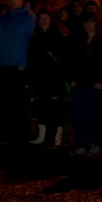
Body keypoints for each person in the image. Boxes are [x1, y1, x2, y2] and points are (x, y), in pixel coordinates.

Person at [0, 0, 36, 143]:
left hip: (18, 68)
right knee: (4, 104)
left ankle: (19, 137)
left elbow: (30, 43)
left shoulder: (29, 18)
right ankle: (4, 134)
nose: (12, 1)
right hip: (3, 66)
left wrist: (23, 64)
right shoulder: (4, 18)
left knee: (19, 105)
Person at [69, 15, 102, 156]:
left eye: (91, 22)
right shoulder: (79, 40)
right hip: (79, 83)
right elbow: (72, 60)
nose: (88, 25)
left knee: (92, 116)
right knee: (77, 116)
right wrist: (72, 79)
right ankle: (79, 144)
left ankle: (95, 143)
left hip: (95, 85)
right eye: (86, 22)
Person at [27, 9, 69, 146]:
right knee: (41, 108)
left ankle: (56, 136)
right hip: (40, 79)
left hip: (54, 79)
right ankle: (42, 134)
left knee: (55, 109)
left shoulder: (58, 37)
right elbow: (32, 59)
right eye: (41, 18)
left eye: (46, 18)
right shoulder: (36, 37)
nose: (43, 21)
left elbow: (63, 60)